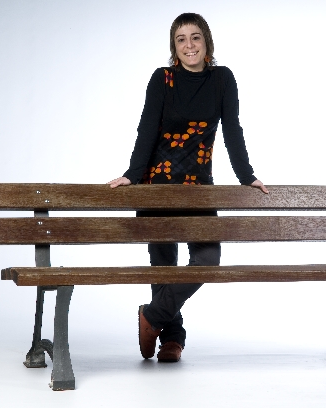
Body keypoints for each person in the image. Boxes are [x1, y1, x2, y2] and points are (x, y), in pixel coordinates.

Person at [108, 13, 268, 363]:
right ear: (174, 47)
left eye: (195, 37)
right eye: (181, 39)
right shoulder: (162, 79)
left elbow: (232, 129)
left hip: (199, 187)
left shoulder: (222, 79)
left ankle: (152, 316)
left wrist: (246, 175)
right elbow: (146, 129)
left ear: (207, 41)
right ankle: (172, 339)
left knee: (207, 260)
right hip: (158, 185)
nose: (189, 45)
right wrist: (132, 174)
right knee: (164, 265)